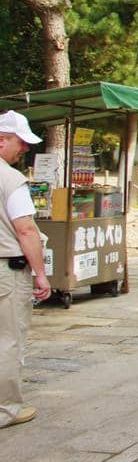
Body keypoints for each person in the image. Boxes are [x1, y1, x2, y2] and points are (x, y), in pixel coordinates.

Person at [0, 111, 51, 429]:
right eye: (21, 143)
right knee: (8, 339)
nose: (25, 150)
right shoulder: (11, 180)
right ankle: (6, 408)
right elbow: (27, 230)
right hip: (7, 270)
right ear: (2, 139)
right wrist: (40, 273)